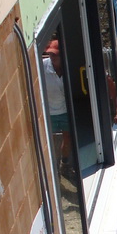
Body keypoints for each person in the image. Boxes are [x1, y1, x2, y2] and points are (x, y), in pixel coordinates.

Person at [42, 39, 73, 174]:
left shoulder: (69, 68)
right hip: (50, 113)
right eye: (51, 55)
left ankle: (64, 162)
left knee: (68, 139)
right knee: (51, 141)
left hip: (66, 111)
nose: (53, 57)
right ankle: (53, 167)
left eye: (56, 54)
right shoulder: (42, 67)